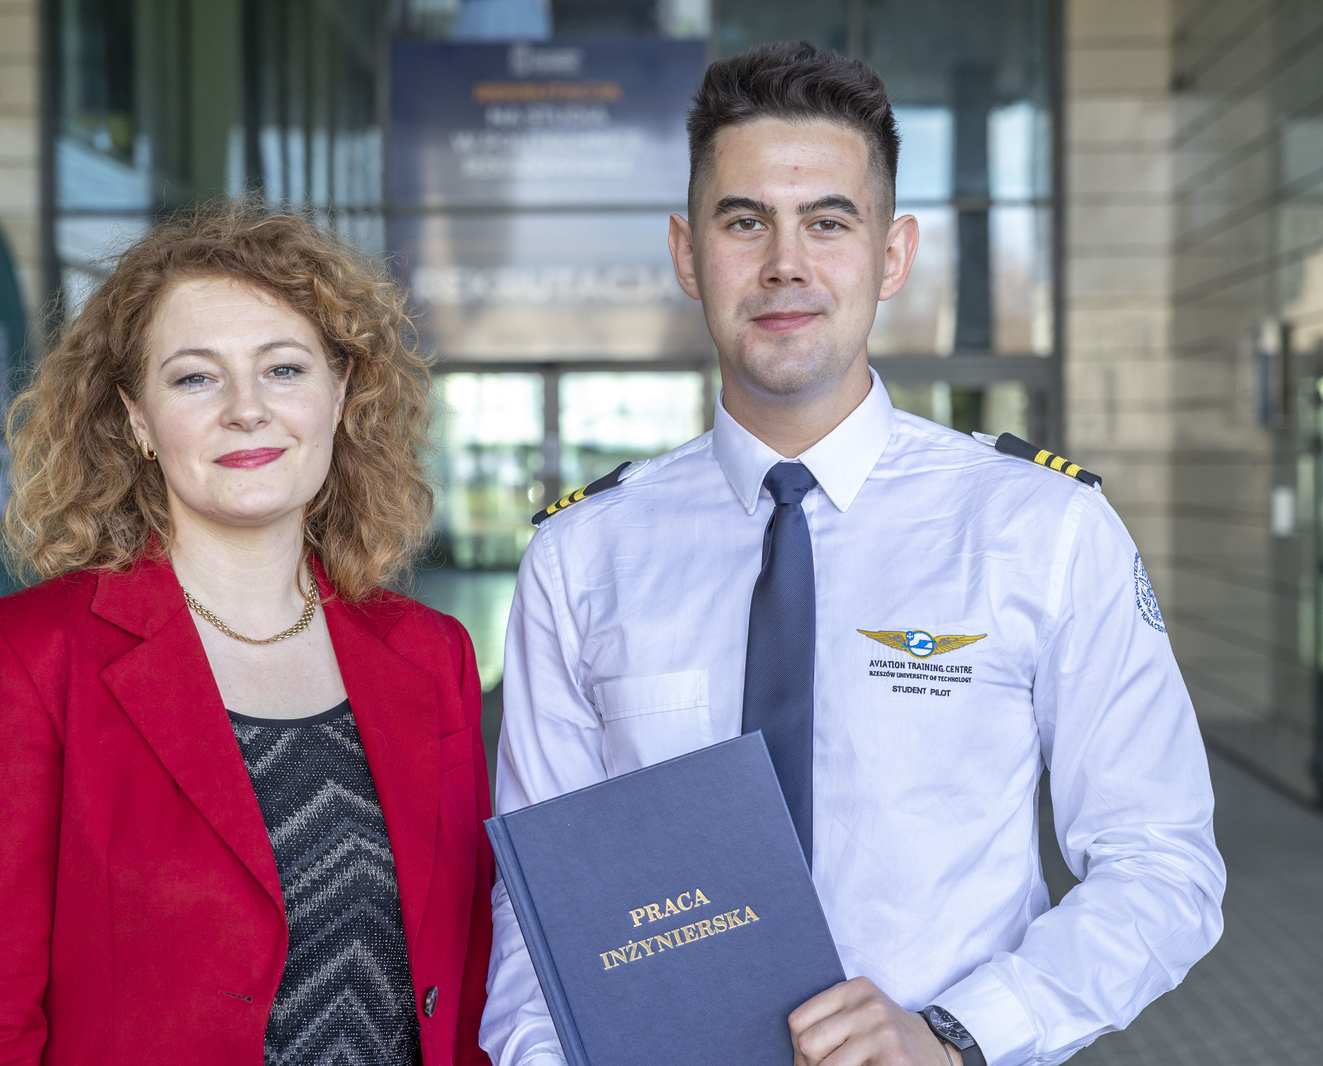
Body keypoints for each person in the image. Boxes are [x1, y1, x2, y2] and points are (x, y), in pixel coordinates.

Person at [479, 41, 1224, 1066]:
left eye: (829, 222)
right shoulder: (584, 556)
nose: (785, 264)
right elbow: (536, 908)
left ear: (893, 254)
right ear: (687, 254)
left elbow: (1162, 864)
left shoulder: (1039, 528)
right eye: (744, 222)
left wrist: (957, 1035)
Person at [0, 205, 494, 1065]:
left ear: (340, 395)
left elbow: (472, 966)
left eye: (283, 369)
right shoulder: (20, 658)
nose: (247, 410)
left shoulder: (431, 652)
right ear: (137, 419)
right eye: (195, 379)